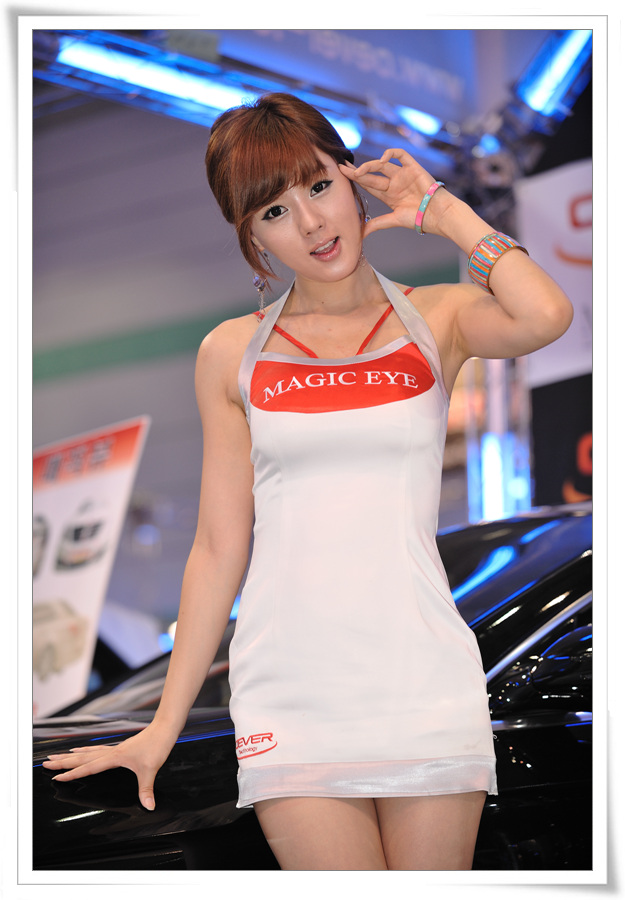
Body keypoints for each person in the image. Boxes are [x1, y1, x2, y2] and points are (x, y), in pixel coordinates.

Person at [43, 93, 573, 870]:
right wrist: (161, 724)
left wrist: (446, 212)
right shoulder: (231, 354)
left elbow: (546, 315)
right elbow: (217, 547)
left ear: (351, 180)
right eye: (274, 212)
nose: (312, 223)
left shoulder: (440, 317)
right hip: (290, 691)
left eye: (320, 186)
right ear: (252, 237)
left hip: (422, 677)